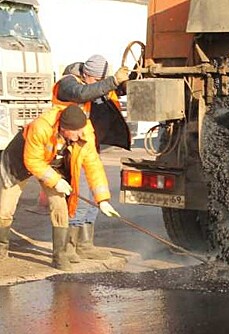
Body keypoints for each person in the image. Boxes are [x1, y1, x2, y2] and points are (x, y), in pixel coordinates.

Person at [0, 105, 120, 270]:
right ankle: (1, 247)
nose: (80, 135)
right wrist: (56, 181)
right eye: (76, 132)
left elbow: (94, 166)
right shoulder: (41, 127)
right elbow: (32, 161)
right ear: (64, 129)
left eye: (81, 130)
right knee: (5, 210)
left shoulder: (85, 132)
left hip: (50, 164)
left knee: (59, 206)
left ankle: (60, 255)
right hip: (19, 162)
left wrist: (103, 199)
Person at [52, 54, 131, 262]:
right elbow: (83, 93)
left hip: (89, 145)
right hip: (71, 146)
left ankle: (85, 244)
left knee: (94, 192)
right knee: (79, 196)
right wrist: (112, 81)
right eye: (98, 80)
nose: (100, 85)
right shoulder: (68, 83)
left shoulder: (95, 83)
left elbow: (107, 91)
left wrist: (125, 83)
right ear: (87, 73)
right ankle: (70, 247)